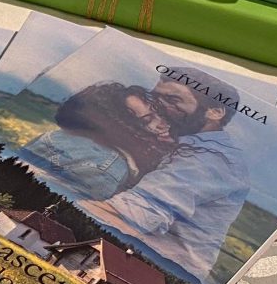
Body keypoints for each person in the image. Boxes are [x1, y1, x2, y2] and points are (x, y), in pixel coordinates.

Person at [80, 67, 250, 284]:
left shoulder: (212, 161)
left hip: (158, 274)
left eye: (172, 100)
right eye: (156, 97)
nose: (160, 106)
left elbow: (138, 213)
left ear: (215, 112)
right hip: (134, 255)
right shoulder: (190, 144)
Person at [16, 83, 176, 200]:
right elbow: (56, 209)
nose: (163, 124)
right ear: (119, 126)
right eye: (147, 120)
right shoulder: (108, 168)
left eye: (159, 113)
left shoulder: (57, 136)